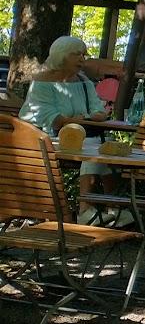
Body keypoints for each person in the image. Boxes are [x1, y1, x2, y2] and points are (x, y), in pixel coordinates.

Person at [18, 35, 117, 221]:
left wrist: (84, 117)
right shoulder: (42, 83)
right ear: (61, 56)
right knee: (95, 152)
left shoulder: (84, 82)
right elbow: (54, 120)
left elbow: (99, 111)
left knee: (108, 149)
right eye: (77, 54)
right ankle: (85, 211)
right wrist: (85, 118)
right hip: (47, 140)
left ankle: (113, 209)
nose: (82, 59)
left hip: (82, 138)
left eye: (84, 55)